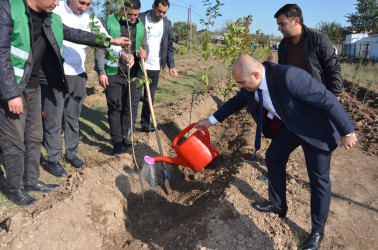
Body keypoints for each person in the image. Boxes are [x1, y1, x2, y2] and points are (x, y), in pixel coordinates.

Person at [195, 55, 357, 250]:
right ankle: (278, 204)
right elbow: (235, 102)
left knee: (318, 180)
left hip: (316, 129)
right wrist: (210, 121)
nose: (239, 87)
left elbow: (327, 99)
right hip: (291, 127)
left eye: (241, 82)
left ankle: (317, 231)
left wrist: (347, 131)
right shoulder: (249, 86)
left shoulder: (289, 77)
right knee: (273, 157)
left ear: (256, 74)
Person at [0, 0, 130, 206]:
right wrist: (10, 93)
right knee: (15, 142)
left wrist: (110, 41)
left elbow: (78, 34)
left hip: (33, 85)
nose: (57, 2)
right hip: (13, 88)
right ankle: (15, 189)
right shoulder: (9, 8)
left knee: (34, 137)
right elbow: (2, 53)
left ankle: (31, 182)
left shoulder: (51, 19)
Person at [41, 0, 131, 177]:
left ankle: (72, 154)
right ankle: (53, 159)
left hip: (78, 74)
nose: (85, 7)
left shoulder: (90, 18)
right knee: (54, 117)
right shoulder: (56, 11)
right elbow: (75, 35)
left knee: (73, 117)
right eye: (81, 2)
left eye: (89, 4)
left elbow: (106, 39)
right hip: (55, 72)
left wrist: (121, 53)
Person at [94, 0, 146, 155]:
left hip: (133, 74)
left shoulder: (140, 26)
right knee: (115, 107)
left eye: (136, 15)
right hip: (113, 72)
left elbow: (144, 46)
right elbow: (100, 44)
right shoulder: (110, 21)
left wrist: (143, 53)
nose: (132, 18)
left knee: (128, 108)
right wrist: (101, 71)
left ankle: (124, 137)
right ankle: (116, 141)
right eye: (130, 14)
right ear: (123, 9)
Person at [274, 4, 343, 99]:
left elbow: (333, 67)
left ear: (296, 21)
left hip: (317, 96)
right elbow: (282, 69)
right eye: (278, 25)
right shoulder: (283, 45)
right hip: (293, 98)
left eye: (282, 24)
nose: (279, 28)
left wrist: (335, 95)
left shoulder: (318, 39)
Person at [132, 0, 178, 133]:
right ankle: (130, 126)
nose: (162, 14)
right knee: (134, 97)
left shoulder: (167, 24)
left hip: (155, 66)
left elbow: (169, 47)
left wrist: (171, 65)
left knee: (149, 97)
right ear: (153, 6)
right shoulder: (139, 18)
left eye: (164, 12)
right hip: (139, 65)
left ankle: (145, 124)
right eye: (160, 11)